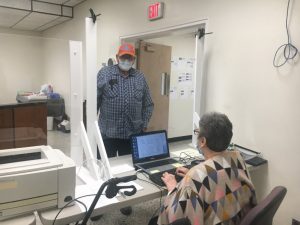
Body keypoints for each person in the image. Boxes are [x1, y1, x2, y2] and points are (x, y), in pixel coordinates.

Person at [154, 112, 256, 225]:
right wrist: (197, 174)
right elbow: (223, 176)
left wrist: (173, 189)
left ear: (203, 141)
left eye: (197, 132)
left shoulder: (196, 176)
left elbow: (178, 218)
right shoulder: (237, 158)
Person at [97, 43, 154, 158]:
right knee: (104, 168)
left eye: (129, 58)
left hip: (132, 135)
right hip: (108, 134)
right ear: (117, 57)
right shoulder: (105, 73)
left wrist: (144, 124)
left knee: (131, 168)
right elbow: (94, 102)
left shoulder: (140, 77)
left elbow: (148, 104)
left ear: (133, 59)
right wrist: (91, 128)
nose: (126, 60)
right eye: (123, 57)